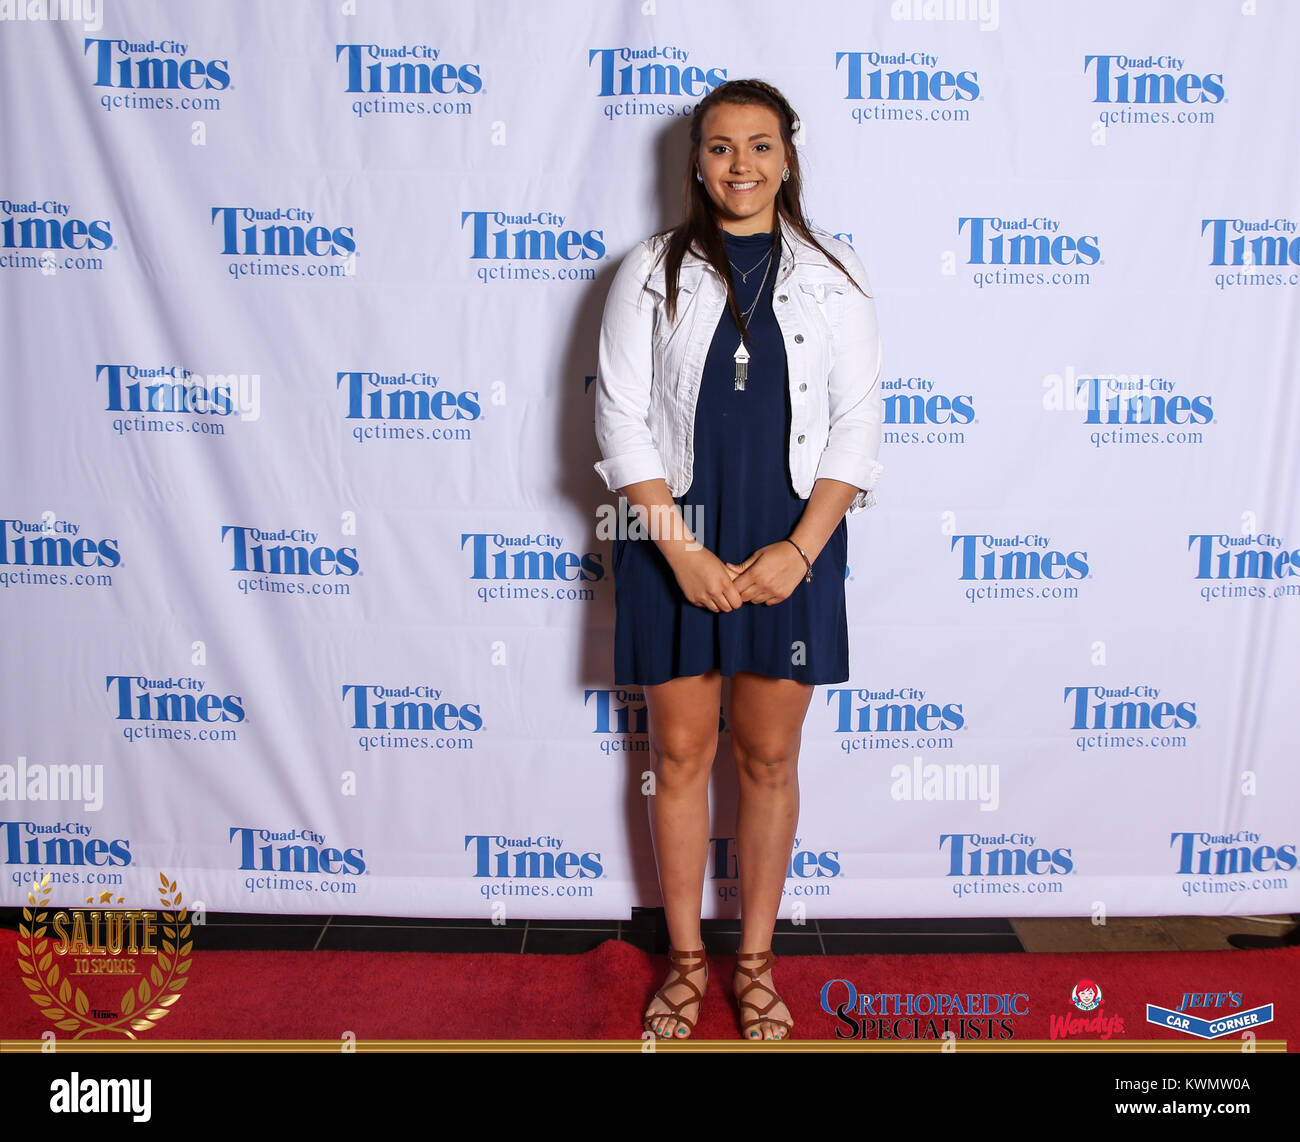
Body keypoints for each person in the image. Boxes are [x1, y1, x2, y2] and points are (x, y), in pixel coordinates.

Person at [592, 79, 885, 1040]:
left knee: (767, 757)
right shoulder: (645, 270)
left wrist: (802, 552)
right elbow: (619, 421)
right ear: (696, 161)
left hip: (789, 547)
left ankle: (753, 964)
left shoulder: (836, 276)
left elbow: (856, 430)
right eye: (721, 147)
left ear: (789, 157)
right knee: (678, 757)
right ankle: (684, 963)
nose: (742, 166)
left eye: (760, 146)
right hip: (671, 539)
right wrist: (678, 554)